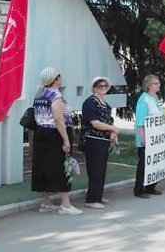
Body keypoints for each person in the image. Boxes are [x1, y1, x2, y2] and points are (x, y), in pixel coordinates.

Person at [31, 67, 82, 215]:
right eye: (59, 76)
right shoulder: (55, 95)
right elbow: (58, 119)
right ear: (55, 79)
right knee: (64, 165)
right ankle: (65, 204)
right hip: (55, 133)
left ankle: (46, 202)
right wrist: (66, 141)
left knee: (43, 165)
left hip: (41, 133)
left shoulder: (39, 93)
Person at [81, 77, 120, 208]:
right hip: (93, 139)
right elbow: (95, 123)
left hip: (104, 140)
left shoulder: (106, 104)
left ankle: (98, 195)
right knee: (95, 169)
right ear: (94, 88)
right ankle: (91, 199)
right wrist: (112, 129)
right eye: (99, 86)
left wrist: (113, 132)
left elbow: (109, 121)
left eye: (105, 86)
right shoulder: (90, 102)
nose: (102, 88)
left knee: (101, 169)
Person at [134, 74, 165, 198]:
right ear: (149, 85)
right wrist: (143, 139)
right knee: (144, 164)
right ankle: (139, 189)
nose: (159, 85)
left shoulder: (154, 97)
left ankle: (151, 187)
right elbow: (140, 122)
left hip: (155, 139)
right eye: (156, 83)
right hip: (146, 138)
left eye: (158, 83)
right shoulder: (144, 100)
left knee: (153, 163)